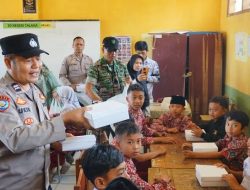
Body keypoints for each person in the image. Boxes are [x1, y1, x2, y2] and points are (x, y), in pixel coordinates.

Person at [0, 33, 91, 190]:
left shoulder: (35, 89)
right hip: (16, 184)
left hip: (42, 181)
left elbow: (38, 127)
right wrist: (63, 120)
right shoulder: (4, 96)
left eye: (38, 58)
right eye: (28, 60)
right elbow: (15, 138)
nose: (36, 65)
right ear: (8, 63)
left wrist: (55, 140)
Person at [113, 121, 175, 190]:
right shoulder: (121, 164)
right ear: (118, 144)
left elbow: (141, 139)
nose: (136, 147)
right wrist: (163, 183)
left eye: (138, 141)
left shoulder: (120, 144)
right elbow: (145, 188)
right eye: (130, 142)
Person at [182, 110, 249, 171]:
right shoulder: (230, 135)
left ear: (243, 129)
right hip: (222, 164)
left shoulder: (240, 143)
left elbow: (220, 154)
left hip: (233, 172)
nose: (229, 128)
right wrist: (193, 147)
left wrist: (194, 155)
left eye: (235, 125)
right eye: (228, 124)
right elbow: (216, 144)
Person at [85, 36, 131, 102]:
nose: (113, 53)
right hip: (104, 104)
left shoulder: (122, 65)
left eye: (115, 50)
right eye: (110, 50)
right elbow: (88, 89)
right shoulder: (95, 67)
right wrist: (101, 103)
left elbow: (129, 82)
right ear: (103, 49)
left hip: (121, 103)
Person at [59, 36, 93, 105]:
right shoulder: (67, 59)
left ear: (84, 46)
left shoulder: (89, 59)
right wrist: (69, 86)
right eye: (77, 44)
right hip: (73, 92)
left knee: (88, 110)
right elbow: (62, 75)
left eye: (81, 44)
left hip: (86, 91)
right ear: (73, 46)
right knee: (75, 110)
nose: (79, 46)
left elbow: (93, 76)